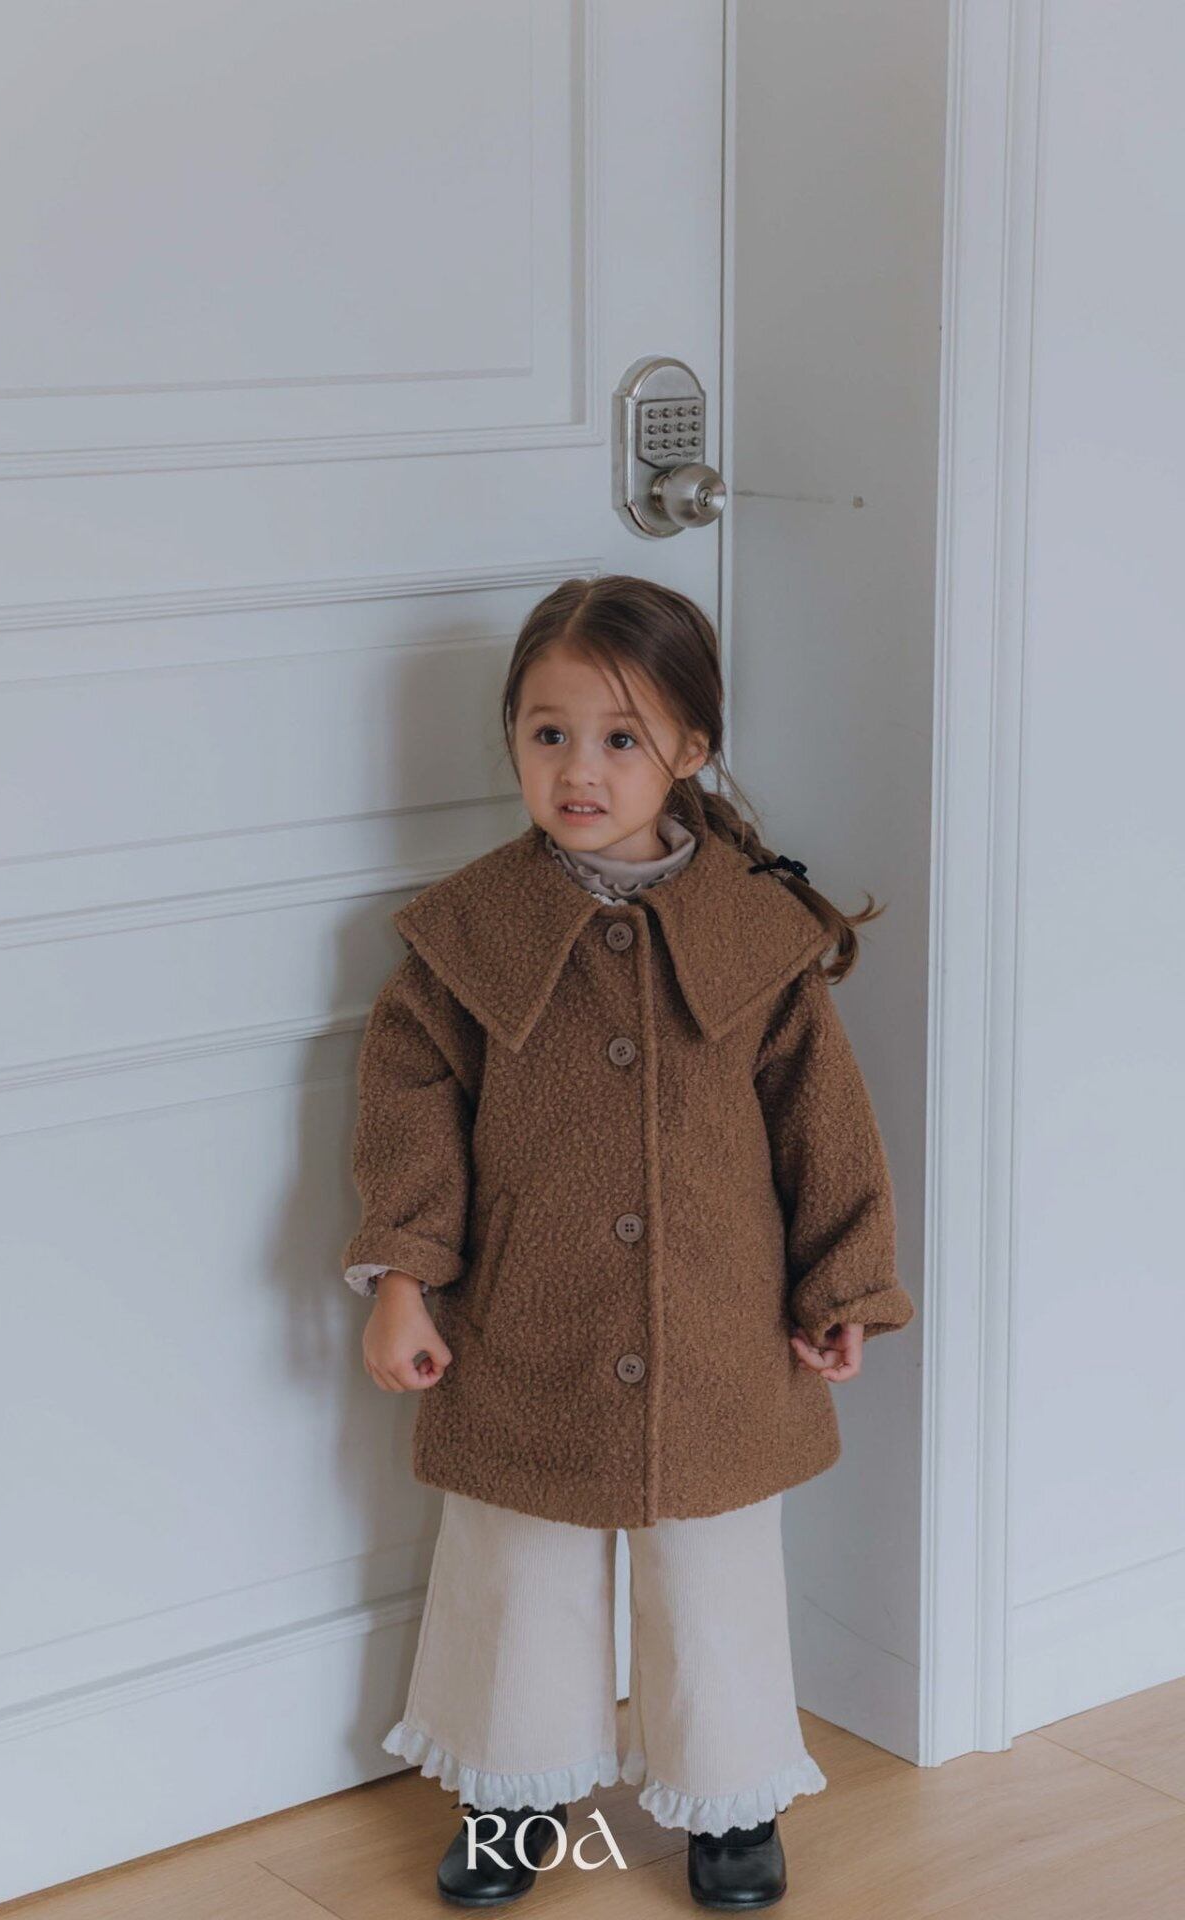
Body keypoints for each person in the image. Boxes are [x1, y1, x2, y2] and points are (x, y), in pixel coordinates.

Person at [341, 574, 915, 1909]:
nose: (579, 769)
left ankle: (731, 1795)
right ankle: (512, 1791)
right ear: (512, 738)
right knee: (517, 1563)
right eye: (548, 734)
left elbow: (822, 1119)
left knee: (714, 1571)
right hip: (524, 1322)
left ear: (691, 748)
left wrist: (844, 1283)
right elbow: (410, 1114)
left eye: (620, 738)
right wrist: (404, 1280)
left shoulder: (754, 932)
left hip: (720, 1325)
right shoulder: (467, 935)